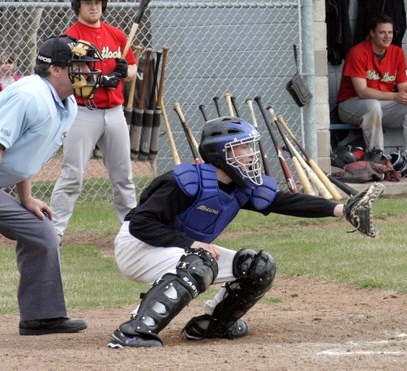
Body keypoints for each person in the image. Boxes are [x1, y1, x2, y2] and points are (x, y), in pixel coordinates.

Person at [107, 116, 383, 348]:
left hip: (177, 250)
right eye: (242, 149)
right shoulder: (186, 182)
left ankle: (211, 325)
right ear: (220, 153)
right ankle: (134, 331)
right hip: (138, 247)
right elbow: (141, 224)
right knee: (200, 262)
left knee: (258, 267)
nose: (251, 154)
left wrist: (340, 209)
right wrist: (190, 243)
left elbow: (282, 201)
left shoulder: (240, 187)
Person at [0, 35, 102, 335]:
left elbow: (25, 155)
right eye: (79, 65)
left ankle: (41, 316)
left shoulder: (67, 105)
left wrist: (27, 198)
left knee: (41, 231)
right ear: (55, 70)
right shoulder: (30, 95)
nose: (88, 72)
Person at [50, 0, 138, 240]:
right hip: (83, 112)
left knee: (124, 177)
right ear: (77, 5)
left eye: (98, 2)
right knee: (72, 175)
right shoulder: (69, 37)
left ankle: (131, 233)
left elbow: (132, 68)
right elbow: (64, 75)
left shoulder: (117, 34)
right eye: (88, 2)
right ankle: (53, 232)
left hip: (115, 113)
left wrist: (124, 73)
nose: (93, 6)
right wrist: (100, 79)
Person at [336, 14, 407, 176]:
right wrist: (395, 96)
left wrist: (406, 94)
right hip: (351, 106)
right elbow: (362, 91)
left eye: (390, 33)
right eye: (382, 32)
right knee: (373, 105)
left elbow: (403, 85)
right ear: (372, 33)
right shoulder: (357, 52)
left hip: (380, 106)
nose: (387, 37)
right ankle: (376, 157)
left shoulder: (397, 53)